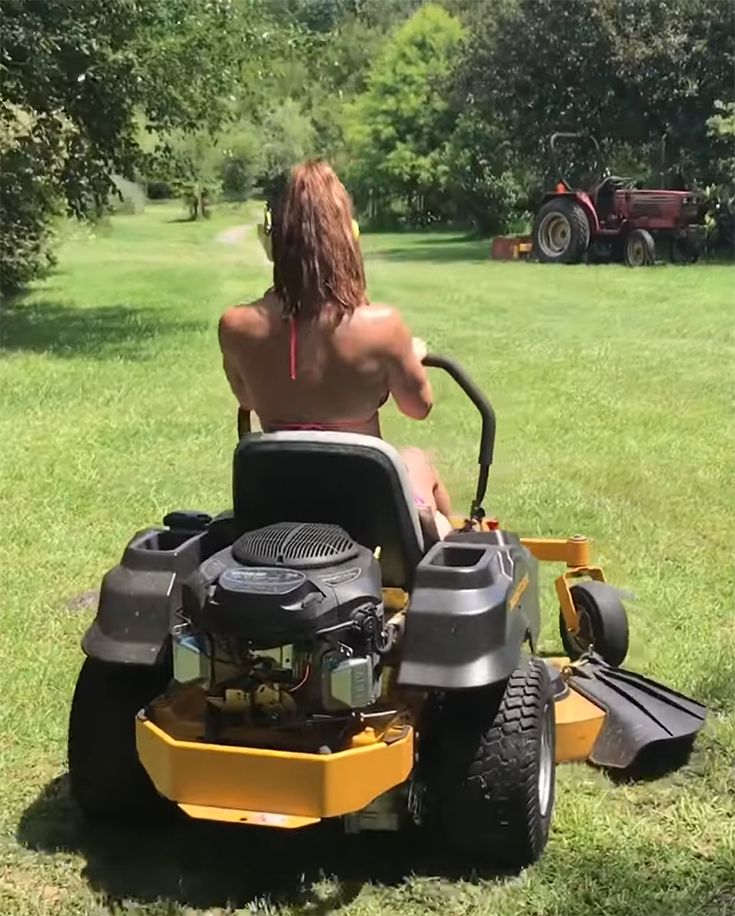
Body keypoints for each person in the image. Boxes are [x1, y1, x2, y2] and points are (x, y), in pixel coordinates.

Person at [218, 159, 452, 537]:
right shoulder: (384, 326)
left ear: (271, 239)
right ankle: (437, 557)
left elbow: (245, 397)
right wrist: (408, 356)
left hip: (279, 503)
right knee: (417, 462)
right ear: (349, 236)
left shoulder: (236, 326)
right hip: (364, 508)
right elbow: (419, 408)